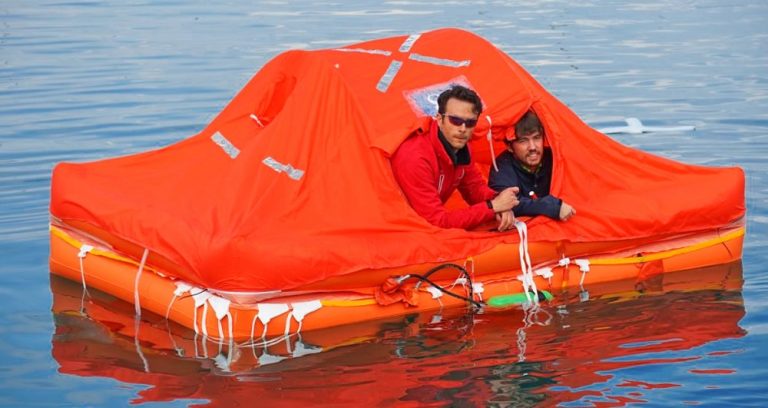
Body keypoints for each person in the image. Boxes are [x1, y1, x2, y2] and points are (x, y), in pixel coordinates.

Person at [391, 85, 520, 231]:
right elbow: (435, 222)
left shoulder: (462, 147)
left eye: (470, 123)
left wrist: (500, 200)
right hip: (395, 227)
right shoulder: (415, 158)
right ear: (439, 119)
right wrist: (492, 206)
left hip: (423, 222)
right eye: (455, 121)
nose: (463, 129)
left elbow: (474, 188)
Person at [488, 110, 575, 221]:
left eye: (536, 138)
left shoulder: (557, 158)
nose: (532, 147)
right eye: (523, 141)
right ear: (509, 147)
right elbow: (505, 203)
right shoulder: (501, 166)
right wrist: (551, 207)